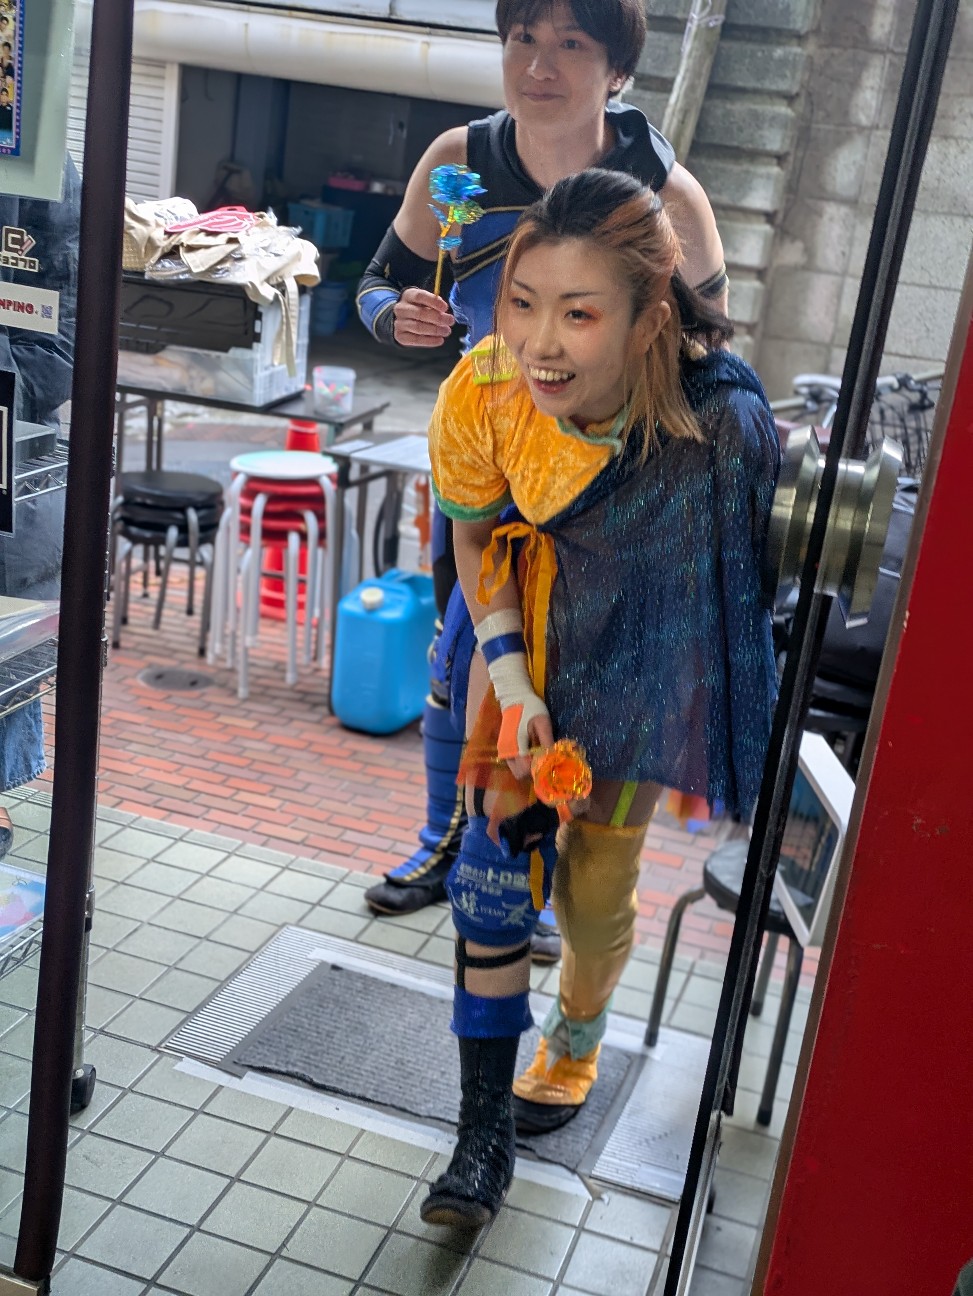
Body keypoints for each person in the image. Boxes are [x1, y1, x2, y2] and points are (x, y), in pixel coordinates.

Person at [417, 168, 779, 1226]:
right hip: (523, 641)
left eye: (578, 314)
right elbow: (474, 536)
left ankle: (574, 1035)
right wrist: (510, 678)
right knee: (492, 879)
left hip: (638, 664)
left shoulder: (714, 430)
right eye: (523, 303)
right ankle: (480, 1137)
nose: (540, 343)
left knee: (591, 887)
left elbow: (724, 595)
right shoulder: (485, 388)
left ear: (647, 319)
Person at [356, 0, 729, 939]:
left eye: (570, 44)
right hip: (480, 468)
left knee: (570, 690)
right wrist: (394, 317)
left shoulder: (663, 195)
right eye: (522, 38)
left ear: (617, 70)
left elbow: (714, 357)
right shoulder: (457, 162)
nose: (539, 65)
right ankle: (447, 844)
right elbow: (373, 282)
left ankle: (542, 870)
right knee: (459, 661)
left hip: (603, 493)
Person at [0, 158, 81, 853]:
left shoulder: (34, 151)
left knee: (5, 624)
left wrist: (8, 383)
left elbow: (61, 333)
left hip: (11, 438)